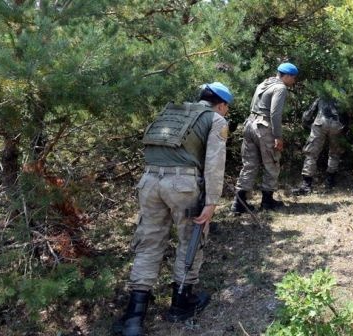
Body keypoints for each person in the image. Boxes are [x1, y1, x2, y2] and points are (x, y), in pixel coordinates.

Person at [113, 82, 232, 336]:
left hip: (149, 182)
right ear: (221, 104)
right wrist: (211, 201)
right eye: (227, 109)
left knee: (149, 241)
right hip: (182, 185)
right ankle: (181, 303)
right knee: (191, 239)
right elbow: (213, 164)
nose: (226, 113)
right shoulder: (216, 120)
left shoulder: (171, 113)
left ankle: (135, 315)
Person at [231, 62, 298, 213]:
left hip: (249, 124)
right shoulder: (280, 88)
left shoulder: (263, 83)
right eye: (293, 78)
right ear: (286, 76)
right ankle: (267, 202)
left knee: (249, 164)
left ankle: (238, 203)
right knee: (272, 163)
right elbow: (275, 114)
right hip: (264, 128)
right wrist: (278, 137)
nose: (294, 81)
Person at [292, 96, 347, 195]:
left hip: (320, 124)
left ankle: (306, 186)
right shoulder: (343, 95)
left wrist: (307, 125)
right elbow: (349, 115)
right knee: (335, 153)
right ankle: (330, 183)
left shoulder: (321, 95)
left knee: (311, 154)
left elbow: (308, 114)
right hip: (337, 125)